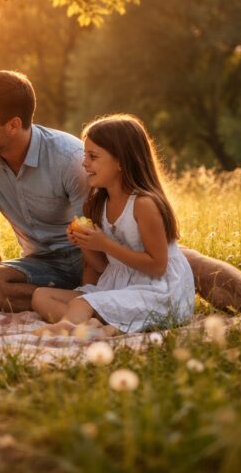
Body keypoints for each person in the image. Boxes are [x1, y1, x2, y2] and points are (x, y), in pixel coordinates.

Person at [0, 70, 241, 312]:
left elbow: (101, 226)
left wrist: (97, 275)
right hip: (41, 263)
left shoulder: (70, 158)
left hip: (103, 252)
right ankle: (92, 305)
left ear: (13, 125)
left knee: (188, 263)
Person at [31, 115, 195, 334]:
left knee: (82, 304)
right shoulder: (98, 203)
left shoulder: (144, 204)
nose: (84, 163)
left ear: (121, 161)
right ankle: (94, 328)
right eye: (85, 155)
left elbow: (158, 266)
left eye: (93, 156)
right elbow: (102, 267)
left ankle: (67, 328)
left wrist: (105, 244)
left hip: (159, 291)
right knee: (41, 296)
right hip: (120, 286)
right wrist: (86, 243)